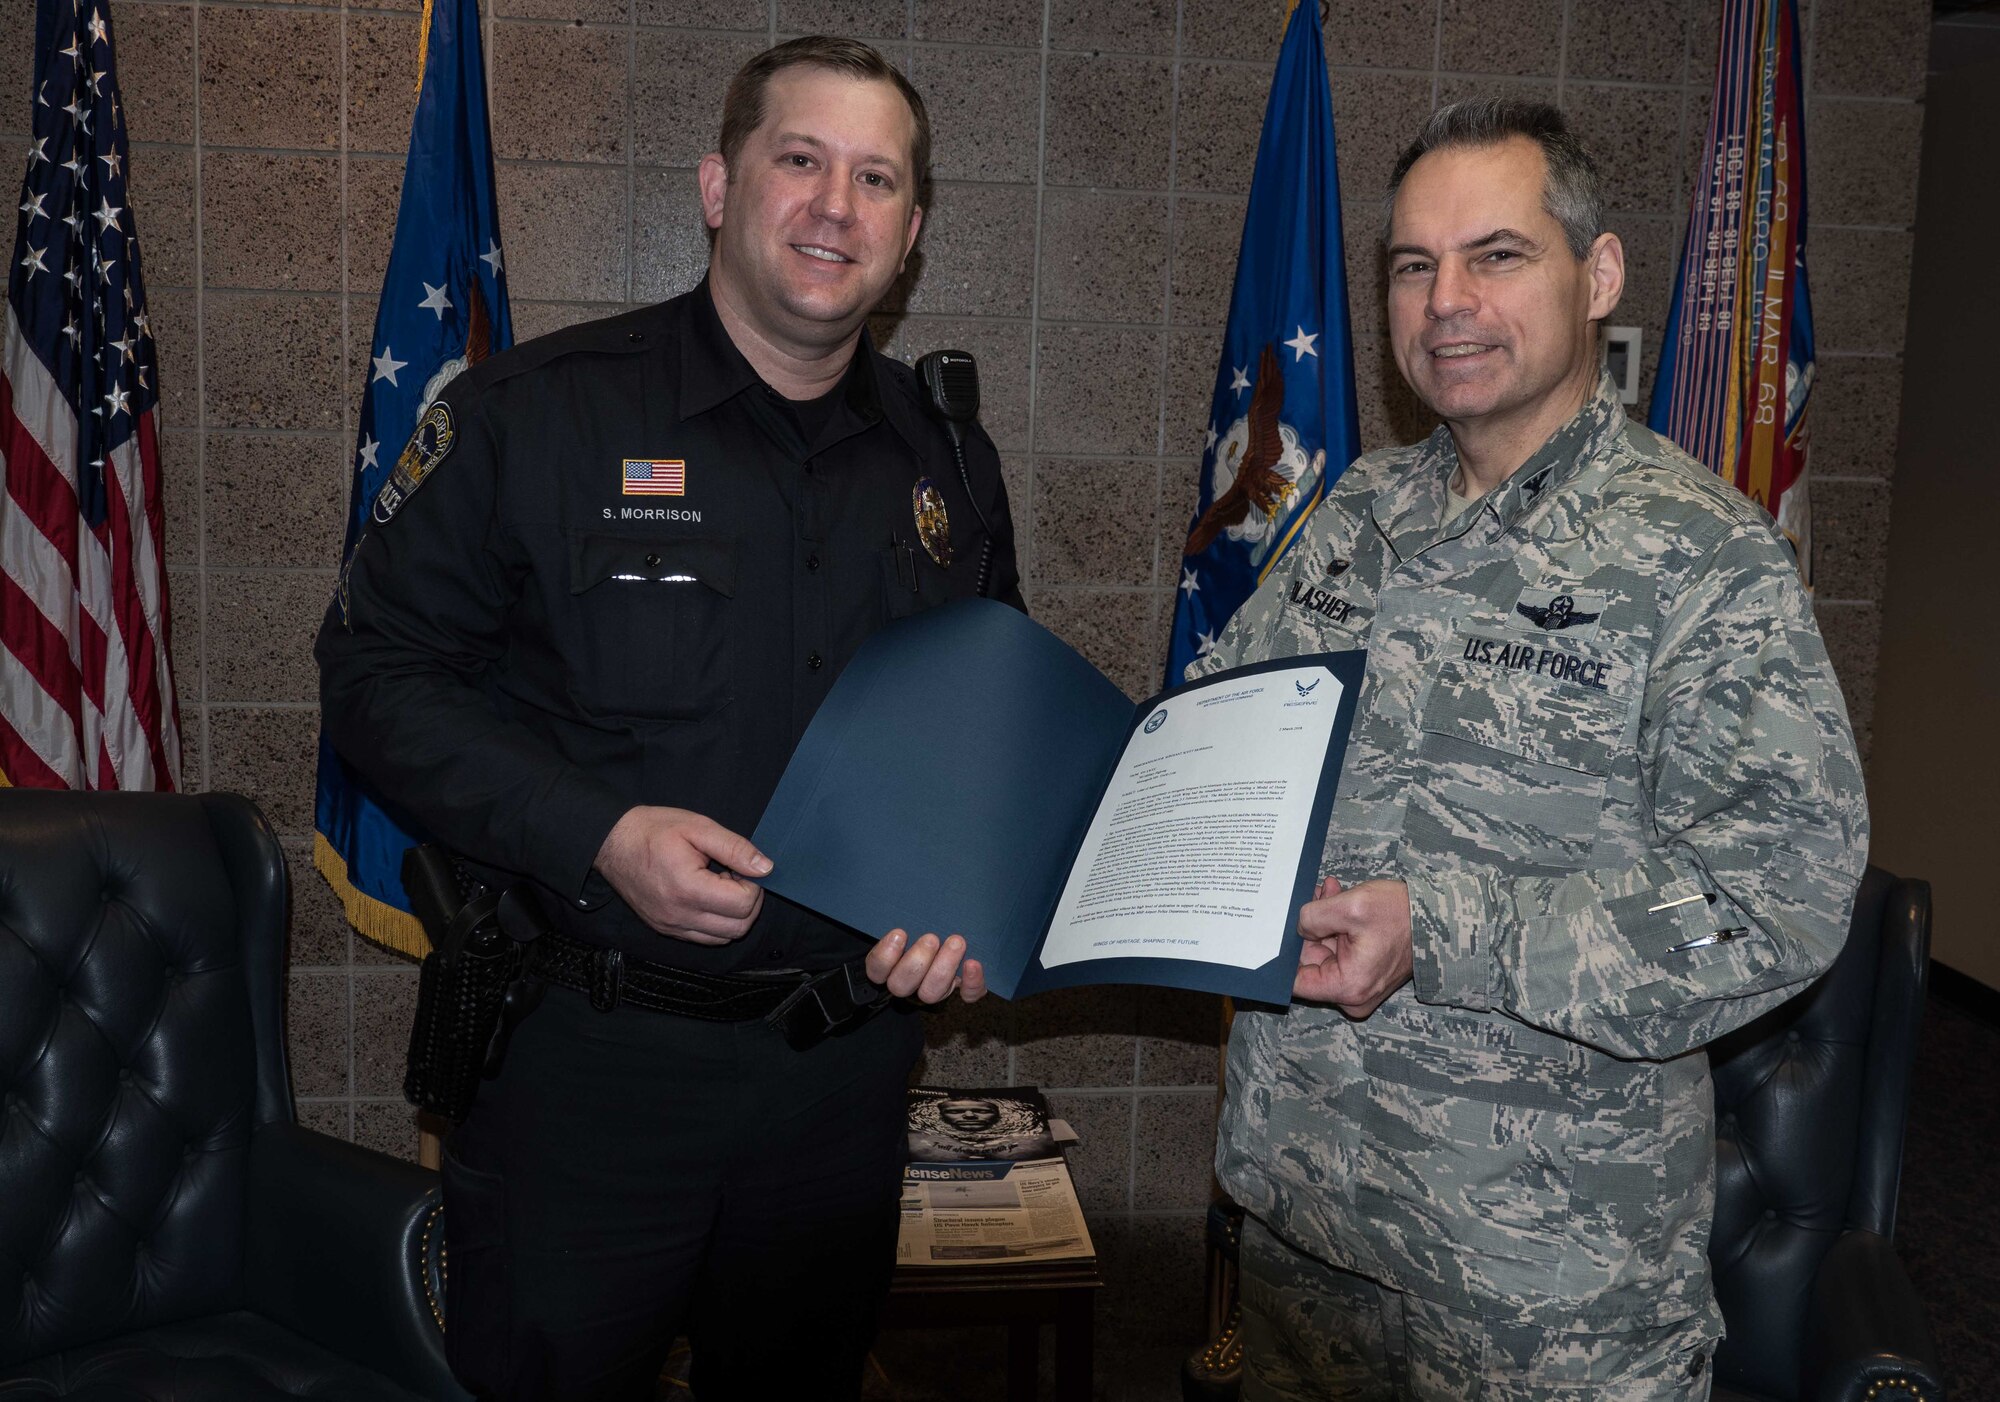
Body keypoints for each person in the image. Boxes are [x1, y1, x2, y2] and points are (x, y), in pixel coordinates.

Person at [316, 37, 1017, 1402]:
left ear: (912, 233)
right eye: (799, 160)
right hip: (591, 1075)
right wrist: (599, 830)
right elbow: (373, 676)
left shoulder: (950, 466)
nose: (836, 205)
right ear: (718, 184)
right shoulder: (537, 417)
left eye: (877, 179)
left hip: (843, 1077)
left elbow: (980, 734)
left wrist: (965, 905)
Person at [1189, 99, 1867, 1399]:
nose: (1447, 300)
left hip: (1544, 1298)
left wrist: (1442, 926)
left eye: (1496, 254)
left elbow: (1773, 902)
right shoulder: (1352, 515)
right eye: (1411, 264)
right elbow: (1218, 742)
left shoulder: (1703, 561)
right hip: (1305, 1240)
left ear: (1597, 275)